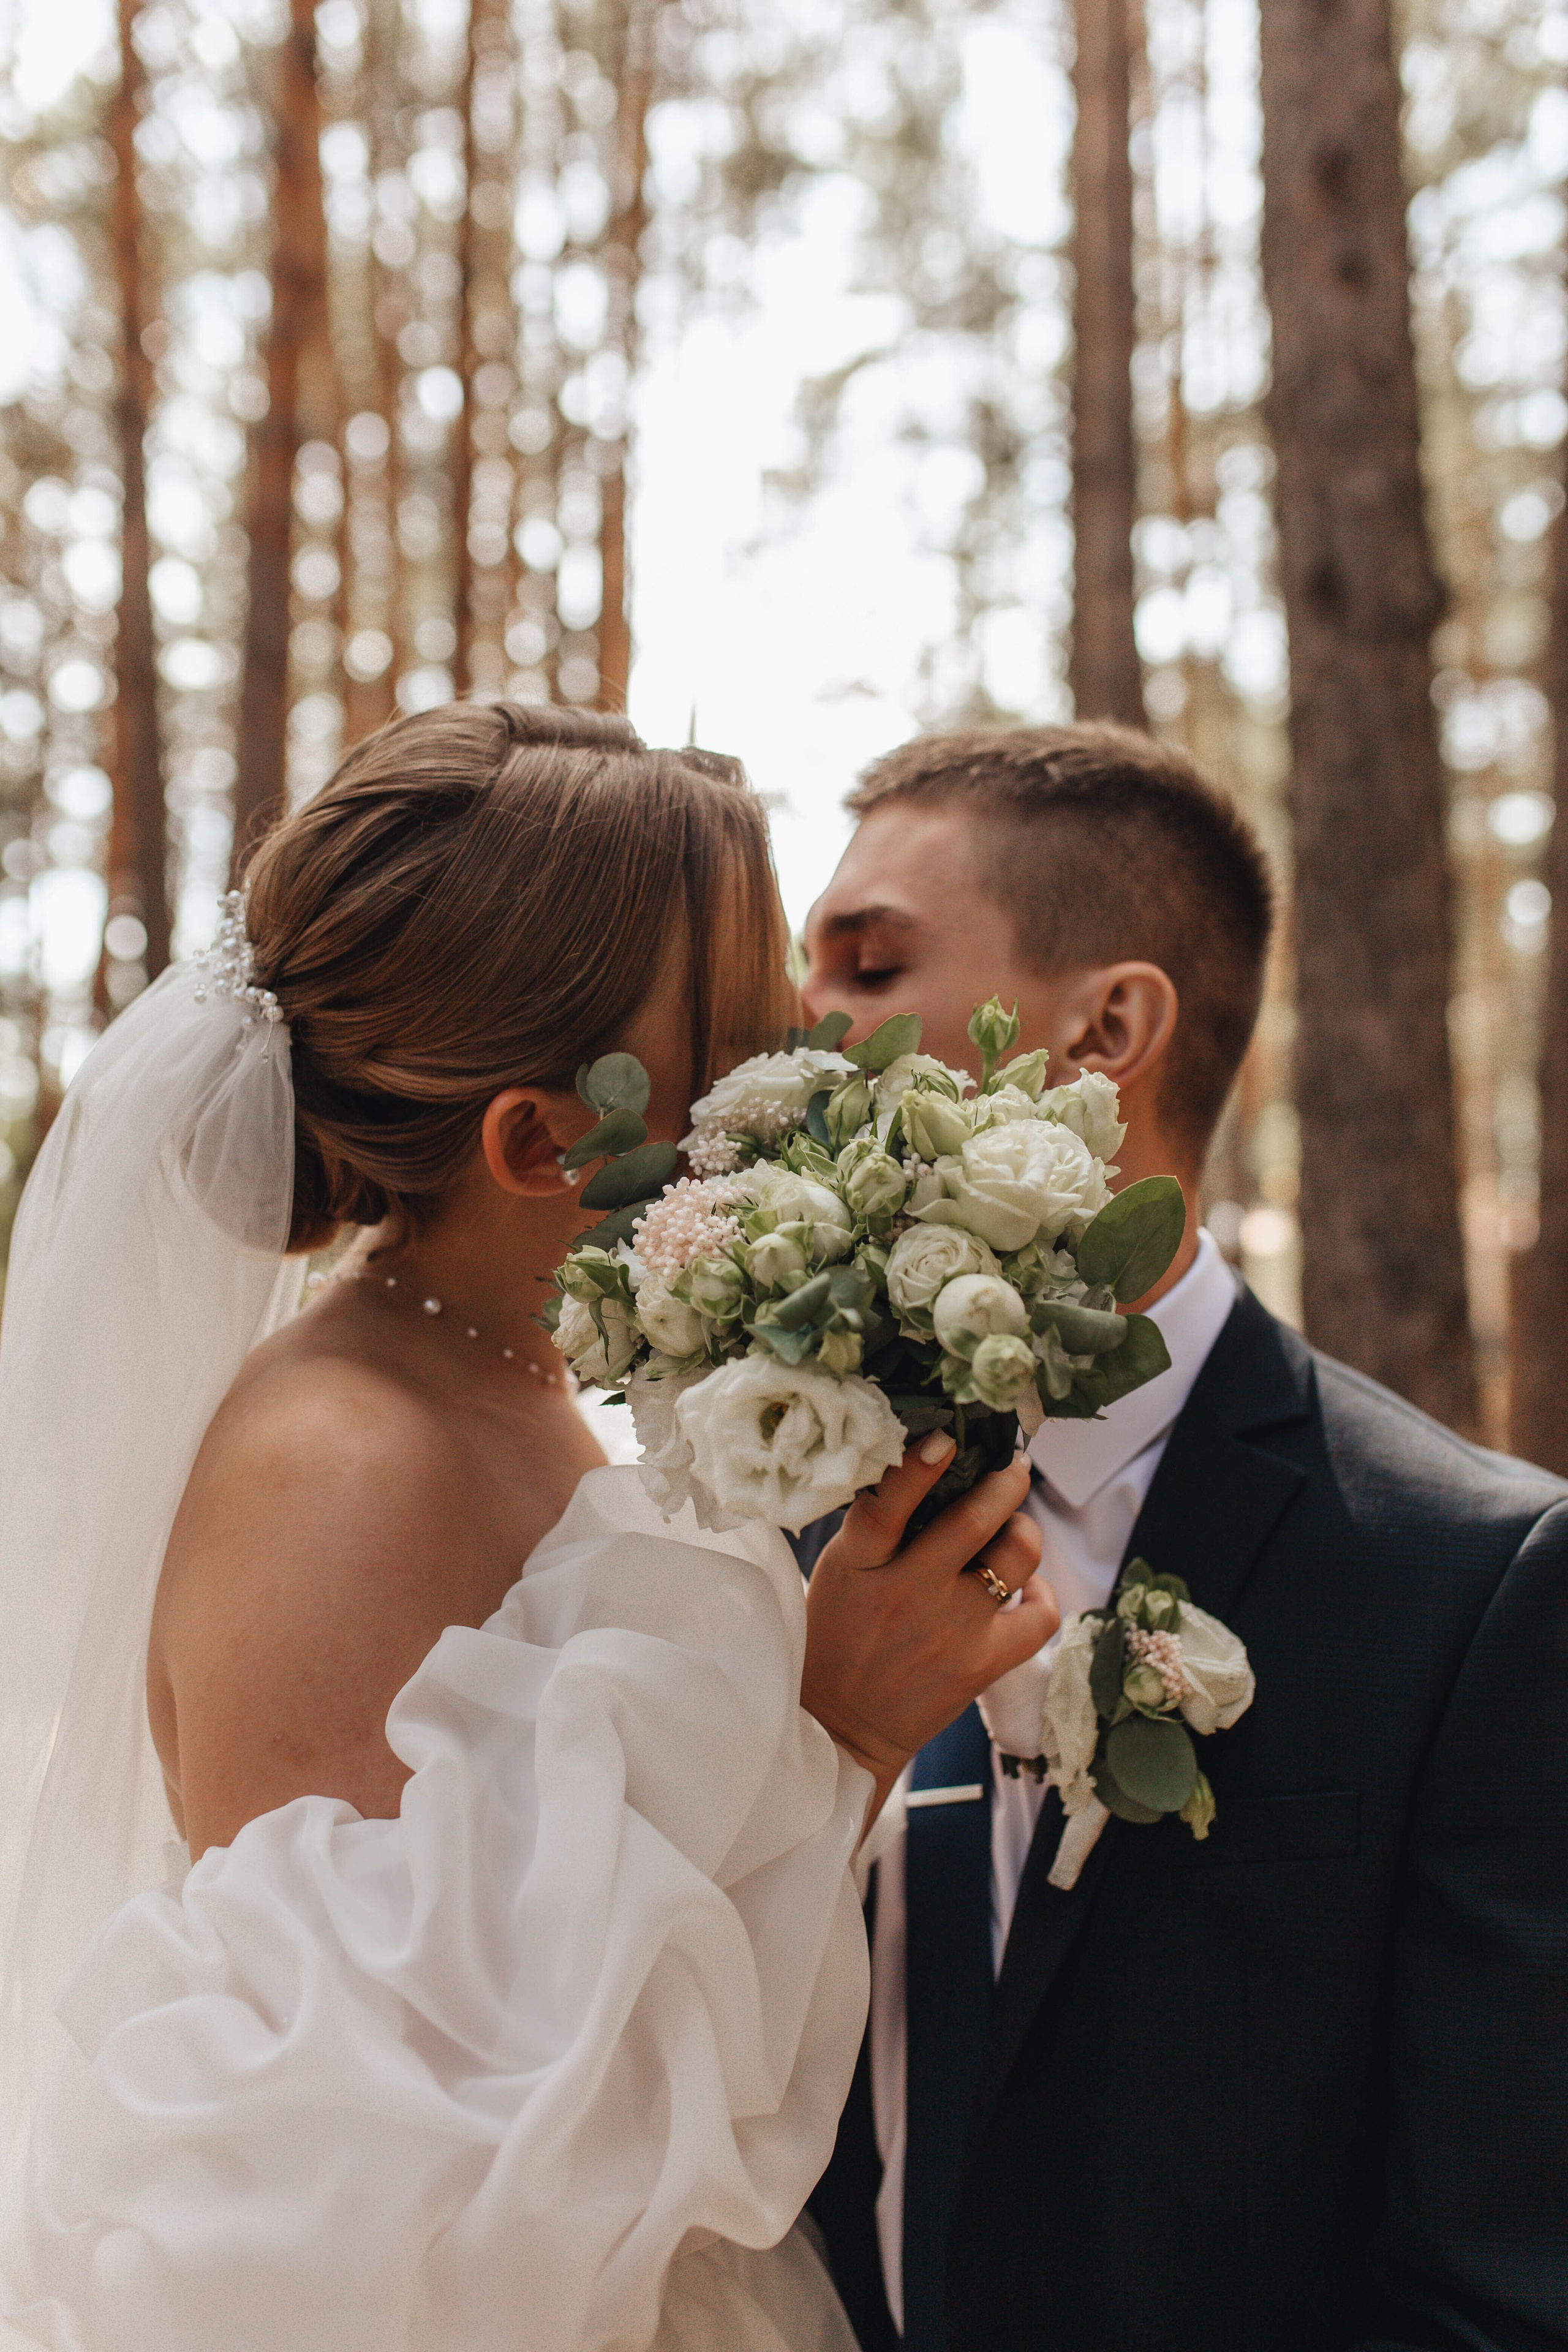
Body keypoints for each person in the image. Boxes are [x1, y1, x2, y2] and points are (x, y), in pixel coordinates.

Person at [0, 703, 1054, 2352]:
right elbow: (364, 2178)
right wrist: (837, 1729)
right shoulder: (340, 1463)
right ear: (542, 1138)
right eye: (745, 1036)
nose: (809, 1062)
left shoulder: (515, 1383)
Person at [797, 722, 1568, 2352]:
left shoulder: (1469, 1588)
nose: (807, 1022)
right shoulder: (769, 1529)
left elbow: (1493, 2286)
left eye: (868, 965)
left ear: (1108, 1030)